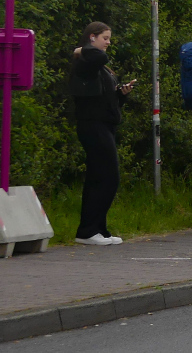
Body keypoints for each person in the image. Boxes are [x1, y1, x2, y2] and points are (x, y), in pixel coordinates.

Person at [68, 22, 135, 245]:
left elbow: (103, 97)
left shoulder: (96, 66)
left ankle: (97, 229)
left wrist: (121, 94)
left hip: (104, 125)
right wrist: (81, 49)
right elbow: (100, 58)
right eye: (105, 38)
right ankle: (87, 230)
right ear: (92, 37)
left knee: (99, 177)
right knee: (108, 177)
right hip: (92, 126)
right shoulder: (85, 61)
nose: (108, 42)